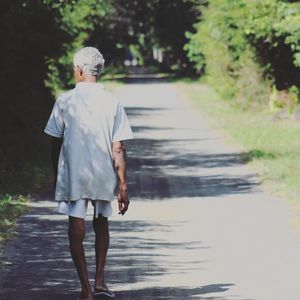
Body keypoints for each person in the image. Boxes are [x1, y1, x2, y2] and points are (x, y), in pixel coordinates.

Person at [44, 47, 133, 300]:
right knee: (102, 222)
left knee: (76, 227)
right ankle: (100, 281)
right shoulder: (112, 102)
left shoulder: (65, 101)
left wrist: (56, 175)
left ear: (80, 70)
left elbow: (54, 142)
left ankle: (85, 289)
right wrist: (123, 185)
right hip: (103, 173)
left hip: (74, 173)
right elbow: (119, 148)